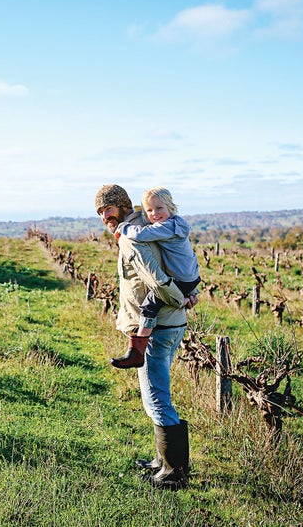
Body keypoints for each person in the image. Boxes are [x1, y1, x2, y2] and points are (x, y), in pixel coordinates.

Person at [94, 183, 194, 490]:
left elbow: (157, 278)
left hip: (158, 326)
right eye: (99, 212)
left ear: (123, 205)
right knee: (154, 395)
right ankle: (162, 460)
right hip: (165, 322)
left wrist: (180, 298)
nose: (104, 216)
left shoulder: (132, 236)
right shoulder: (143, 226)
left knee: (156, 397)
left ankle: (174, 472)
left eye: (108, 208)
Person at [110, 186, 201, 368]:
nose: (155, 214)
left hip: (181, 279)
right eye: (149, 210)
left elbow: (143, 234)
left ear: (170, 207)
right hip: (188, 277)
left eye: (159, 208)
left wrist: (124, 229)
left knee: (150, 305)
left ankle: (136, 351)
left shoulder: (168, 227)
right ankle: (136, 350)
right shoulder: (174, 224)